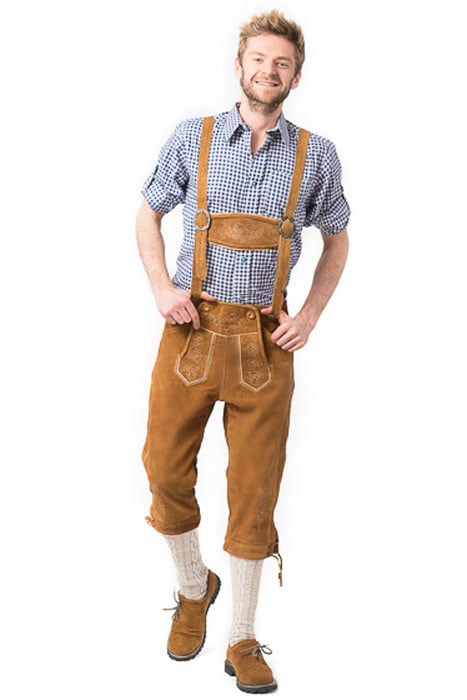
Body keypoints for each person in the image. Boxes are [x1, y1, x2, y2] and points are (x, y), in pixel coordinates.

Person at [136, 9, 350, 694]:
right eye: (258, 59)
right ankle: (193, 587)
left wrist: (308, 316)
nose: (268, 70)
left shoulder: (316, 154)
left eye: (281, 63)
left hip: (265, 343)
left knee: (255, 492)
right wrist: (161, 287)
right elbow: (148, 212)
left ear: (296, 76)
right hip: (190, 332)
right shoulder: (192, 137)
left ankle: (242, 636)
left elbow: (338, 237)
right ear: (239, 66)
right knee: (163, 471)